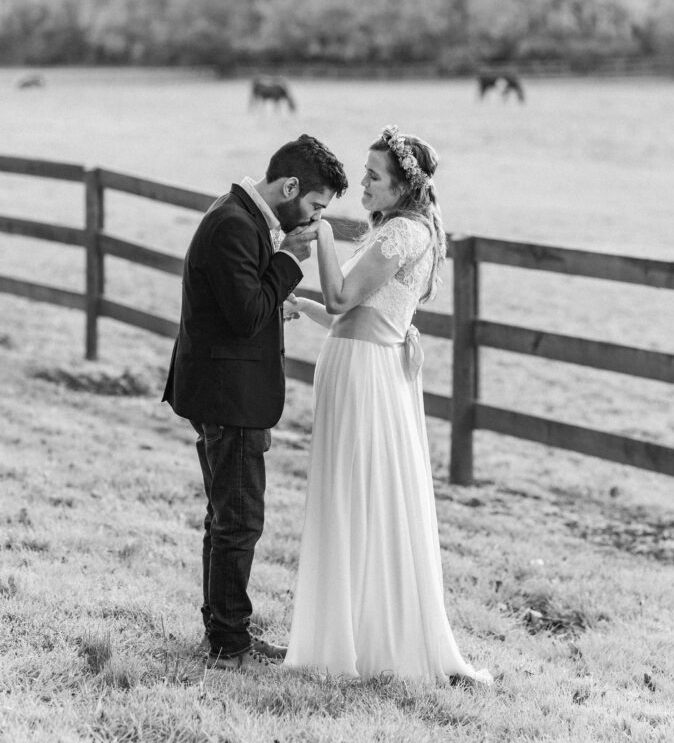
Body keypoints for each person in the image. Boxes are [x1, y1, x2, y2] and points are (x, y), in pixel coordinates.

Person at [283, 125, 492, 685]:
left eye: (373, 177)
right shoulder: (404, 230)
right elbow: (348, 316)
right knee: (360, 495)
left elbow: (342, 297)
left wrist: (322, 235)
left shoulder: (401, 232)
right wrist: (300, 305)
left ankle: (360, 641)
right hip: (362, 363)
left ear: (402, 186)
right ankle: (356, 629)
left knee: (356, 495)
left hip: (365, 375)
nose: (364, 185)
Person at [162, 135, 348, 671]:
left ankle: (224, 631)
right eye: (315, 206)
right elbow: (245, 316)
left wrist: (277, 300)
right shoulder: (234, 225)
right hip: (228, 395)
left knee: (226, 516)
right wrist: (289, 258)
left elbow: (242, 301)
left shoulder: (240, 214)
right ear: (290, 187)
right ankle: (227, 644)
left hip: (222, 387)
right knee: (239, 521)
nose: (315, 219)